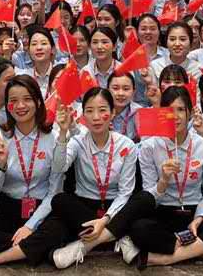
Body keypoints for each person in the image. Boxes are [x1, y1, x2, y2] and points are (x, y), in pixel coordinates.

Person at [0, 75, 65, 275]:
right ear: (7, 105)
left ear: (38, 101)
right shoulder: (0, 138)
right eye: (13, 100)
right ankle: (34, 248)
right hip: (10, 208)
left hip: (42, 207)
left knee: (57, 229)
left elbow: (55, 191)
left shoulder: (52, 138)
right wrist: (1, 165)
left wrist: (30, 227)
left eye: (27, 99)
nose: (20, 106)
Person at [129, 86, 203, 268]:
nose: (175, 116)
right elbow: (148, 197)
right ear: (161, 114)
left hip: (195, 213)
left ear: (189, 113)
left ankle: (167, 257)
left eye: (181, 110)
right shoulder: (150, 147)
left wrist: (198, 219)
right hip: (164, 212)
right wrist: (163, 180)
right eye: (169, 111)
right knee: (138, 228)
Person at [46, 88, 142, 268]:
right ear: (83, 115)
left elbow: (125, 192)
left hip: (116, 207)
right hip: (86, 206)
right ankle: (117, 236)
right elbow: (59, 168)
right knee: (59, 200)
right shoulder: (77, 141)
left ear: (112, 113)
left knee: (143, 200)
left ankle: (86, 245)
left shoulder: (126, 145)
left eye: (102, 110)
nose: (96, 117)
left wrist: (105, 220)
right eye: (89, 111)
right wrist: (63, 133)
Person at [16, 26, 62, 98]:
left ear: (53, 49)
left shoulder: (61, 75)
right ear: (29, 50)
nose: (39, 48)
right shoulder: (23, 76)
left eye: (44, 43)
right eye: (34, 44)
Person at [108, 72, 142, 142]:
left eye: (126, 89)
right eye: (115, 88)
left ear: (133, 92)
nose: (121, 93)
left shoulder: (140, 112)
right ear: (108, 90)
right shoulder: (100, 111)